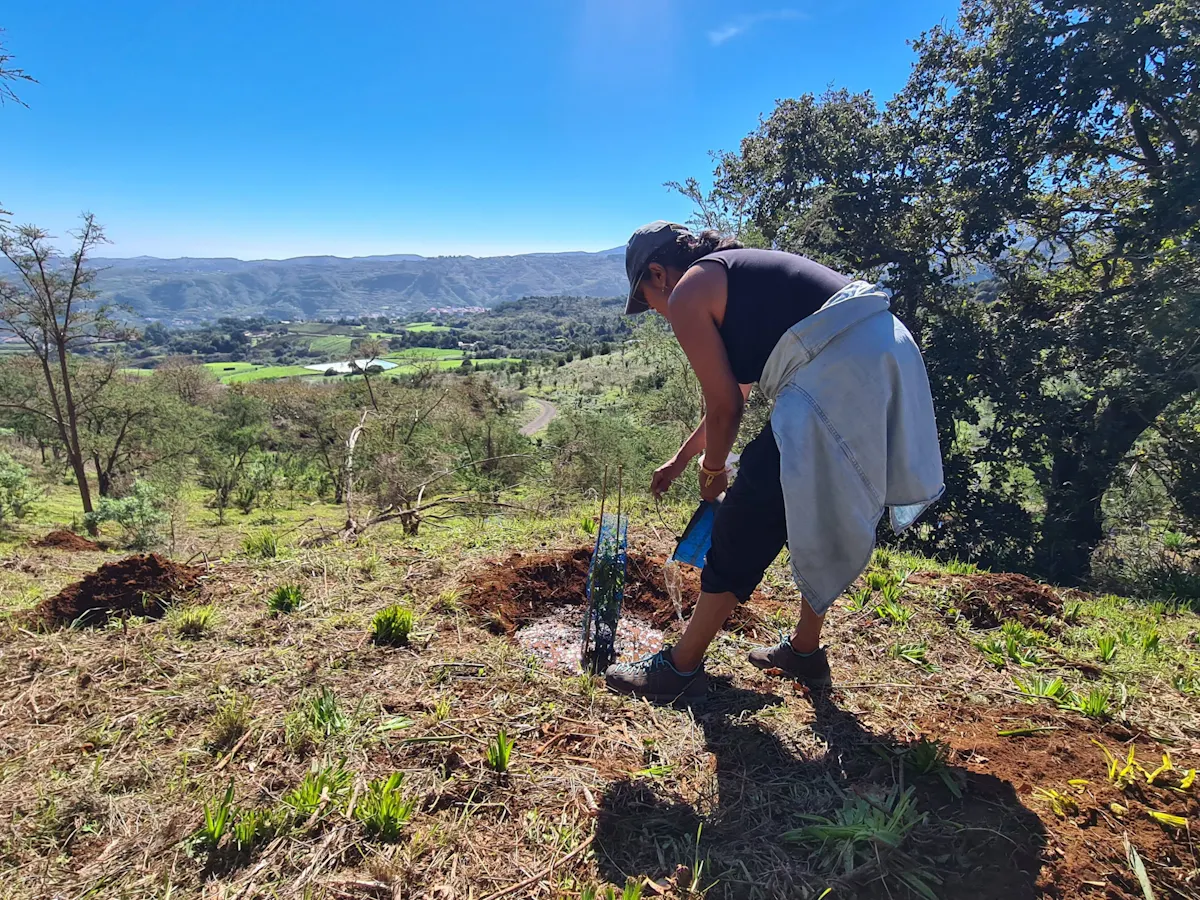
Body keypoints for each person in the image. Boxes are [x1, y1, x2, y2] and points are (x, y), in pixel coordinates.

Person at [604, 221, 944, 703]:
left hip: (841, 369)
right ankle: (804, 651)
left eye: (648, 299)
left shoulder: (688, 293)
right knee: (812, 502)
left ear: (658, 273)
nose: (659, 312)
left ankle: (680, 668)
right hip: (885, 354)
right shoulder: (733, 280)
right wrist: (684, 458)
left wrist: (713, 472)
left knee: (747, 514)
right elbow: (732, 392)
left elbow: (727, 407)